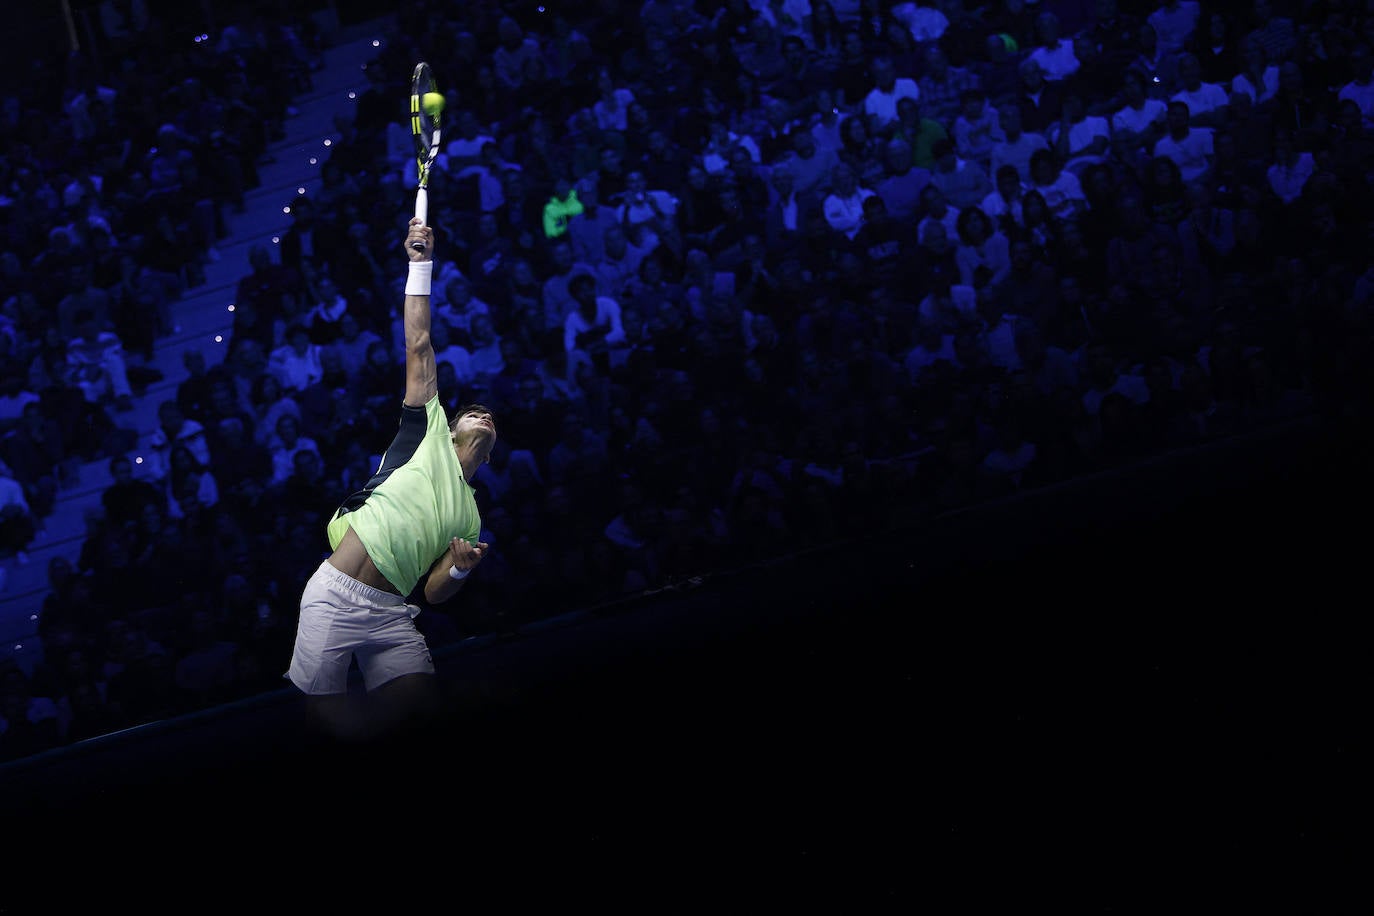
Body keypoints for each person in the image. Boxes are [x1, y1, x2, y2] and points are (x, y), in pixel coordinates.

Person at [287, 218, 497, 743]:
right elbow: (419, 341)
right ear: (450, 430)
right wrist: (420, 263)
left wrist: (462, 570)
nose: (484, 416)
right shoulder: (424, 431)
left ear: (487, 459)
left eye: (490, 418)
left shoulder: (470, 516)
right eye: (473, 412)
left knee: (419, 713)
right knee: (328, 725)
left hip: (390, 616)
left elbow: (434, 591)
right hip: (335, 595)